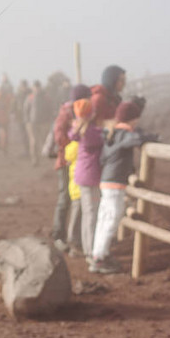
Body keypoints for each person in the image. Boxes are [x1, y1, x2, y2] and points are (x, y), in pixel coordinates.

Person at [90, 101, 159, 273]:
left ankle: (98, 253)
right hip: (115, 183)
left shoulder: (112, 133)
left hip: (106, 181)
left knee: (104, 218)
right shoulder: (126, 134)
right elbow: (136, 139)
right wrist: (154, 138)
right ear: (132, 119)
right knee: (112, 218)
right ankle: (99, 259)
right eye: (136, 119)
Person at [50, 84, 92, 251]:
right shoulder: (67, 113)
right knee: (65, 198)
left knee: (75, 199)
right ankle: (58, 235)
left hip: (76, 162)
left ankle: (74, 237)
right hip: (65, 162)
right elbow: (59, 137)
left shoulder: (76, 112)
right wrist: (74, 143)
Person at [68, 98, 103, 262]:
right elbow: (105, 137)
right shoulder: (91, 132)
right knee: (91, 215)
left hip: (82, 176)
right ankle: (90, 252)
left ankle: (87, 247)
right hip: (90, 177)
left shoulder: (80, 129)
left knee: (87, 214)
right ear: (91, 113)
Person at [23, 80, 52, 166]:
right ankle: (35, 160)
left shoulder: (46, 97)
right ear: (33, 88)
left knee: (45, 141)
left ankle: (46, 158)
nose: (37, 88)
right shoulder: (30, 97)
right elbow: (26, 110)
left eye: (38, 87)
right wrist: (27, 121)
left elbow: (50, 109)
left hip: (44, 122)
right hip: (32, 123)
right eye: (35, 87)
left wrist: (49, 119)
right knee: (34, 141)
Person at [64, 139, 83, 257]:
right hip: (79, 187)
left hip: (75, 186)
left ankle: (74, 242)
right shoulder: (80, 146)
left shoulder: (72, 147)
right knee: (77, 216)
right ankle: (74, 244)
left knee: (77, 214)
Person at [13, 80, 31, 157]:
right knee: (23, 135)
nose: (23, 87)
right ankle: (27, 150)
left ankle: (31, 150)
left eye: (24, 86)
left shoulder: (30, 94)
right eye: (22, 86)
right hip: (20, 117)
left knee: (29, 135)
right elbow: (14, 104)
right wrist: (13, 113)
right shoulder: (18, 94)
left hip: (29, 117)